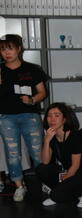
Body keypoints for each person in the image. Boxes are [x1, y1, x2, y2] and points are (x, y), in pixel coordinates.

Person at [0, 34, 48, 202]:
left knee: (37, 152)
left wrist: (32, 99)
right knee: (13, 154)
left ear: (19, 49)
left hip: (30, 116)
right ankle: (19, 186)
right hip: (6, 117)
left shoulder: (32, 69)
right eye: (3, 49)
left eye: (10, 48)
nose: (7, 53)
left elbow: (42, 92)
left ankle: (45, 182)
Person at [36, 102, 82, 207]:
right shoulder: (51, 136)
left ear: (64, 119)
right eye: (49, 116)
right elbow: (45, 161)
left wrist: (62, 184)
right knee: (41, 169)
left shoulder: (74, 136)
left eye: (56, 115)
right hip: (67, 172)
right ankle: (70, 192)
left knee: (55, 194)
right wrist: (46, 141)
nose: (52, 119)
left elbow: (75, 166)